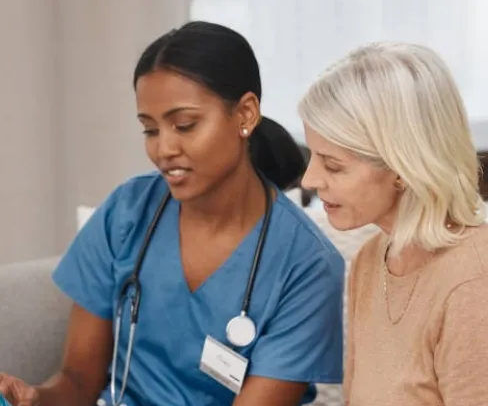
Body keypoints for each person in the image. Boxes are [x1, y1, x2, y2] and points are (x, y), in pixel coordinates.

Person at [0, 21, 345, 406]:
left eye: (184, 125)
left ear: (245, 114)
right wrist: (34, 399)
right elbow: (79, 381)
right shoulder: (127, 211)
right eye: (150, 130)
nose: (164, 149)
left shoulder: (306, 263)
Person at [297, 41, 488, 406]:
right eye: (312, 157)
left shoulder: (474, 285)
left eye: (332, 164)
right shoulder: (372, 259)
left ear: (401, 168)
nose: (309, 179)